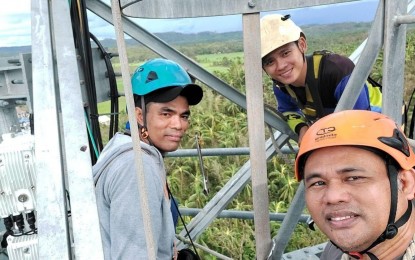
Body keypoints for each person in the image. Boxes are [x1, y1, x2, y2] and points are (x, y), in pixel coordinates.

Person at [93, 58, 203, 259]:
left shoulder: (122, 145)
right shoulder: (136, 167)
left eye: (184, 116)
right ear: (139, 115)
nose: (179, 125)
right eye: (166, 113)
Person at [295, 110, 415, 259]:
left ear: (405, 184)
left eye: (354, 178)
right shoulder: (335, 252)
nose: (333, 197)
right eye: (318, 183)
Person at [260, 14, 381, 145]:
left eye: (285, 53)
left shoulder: (336, 71)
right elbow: (288, 110)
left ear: (302, 44)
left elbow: (361, 123)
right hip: (339, 130)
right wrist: (302, 128)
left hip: (378, 121)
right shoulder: (282, 85)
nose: (281, 66)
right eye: (270, 62)